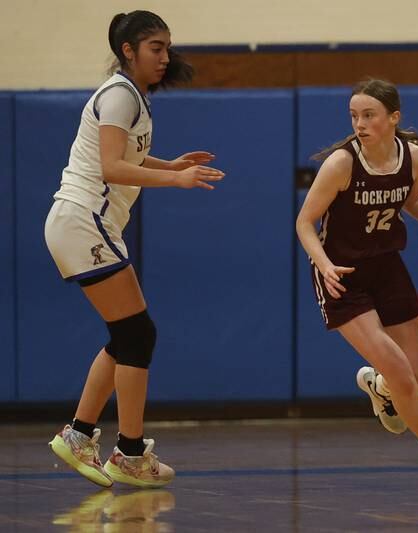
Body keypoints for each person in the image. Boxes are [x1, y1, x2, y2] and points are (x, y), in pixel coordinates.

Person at [45, 10, 225, 488]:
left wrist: (171, 163)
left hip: (84, 224)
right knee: (138, 336)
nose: (165, 57)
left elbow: (125, 157)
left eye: (167, 47)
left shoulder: (130, 97)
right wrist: (174, 178)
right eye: (156, 48)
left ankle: (81, 435)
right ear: (128, 50)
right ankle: (127, 452)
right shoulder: (121, 94)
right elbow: (109, 167)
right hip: (85, 220)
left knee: (129, 336)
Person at [296, 78, 418, 485]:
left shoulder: (416, 158)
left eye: (368, 115)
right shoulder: (342, 163)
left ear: (394, 117)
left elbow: (410, 200)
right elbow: (305, 223)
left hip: (388, 266)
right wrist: (323, 266)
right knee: (397, 366)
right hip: (343, 274)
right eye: (354, 115)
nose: (359, 123)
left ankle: (380, 387)